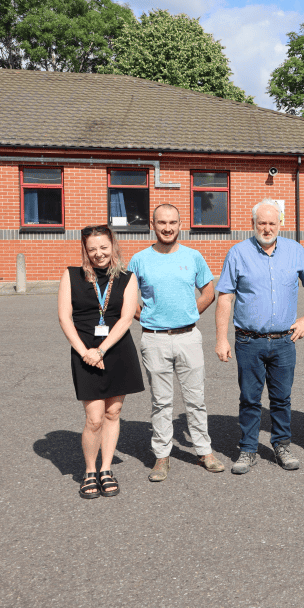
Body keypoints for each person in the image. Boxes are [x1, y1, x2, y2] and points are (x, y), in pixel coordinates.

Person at [215, 200, 304, 475]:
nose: (267, 228)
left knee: (282, 398)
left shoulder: (296, 251)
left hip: (285, 341)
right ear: (253, 224)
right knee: (249, 398)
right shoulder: (238, 253)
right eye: (262, 223)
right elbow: (225, 296)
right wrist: (221, 339)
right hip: (249, 341)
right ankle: (248, 449)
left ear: (280, 224)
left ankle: (282, 445)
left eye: (272, 223)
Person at [129, 204, 224, 482]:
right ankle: (161, 456)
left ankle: (204, 451)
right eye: (161, 222)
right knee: (161, 402)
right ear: (153, 224)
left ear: (180, 224)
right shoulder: (140, 260)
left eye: (172, 222)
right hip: (154, 339)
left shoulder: (193, 257)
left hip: (188, 337)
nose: (167, 228)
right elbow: (128, 298)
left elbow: (209, 291)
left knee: (196, 399)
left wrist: (191, 313)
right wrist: (145, 316)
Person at [58, 225, 145, 498]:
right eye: (92, 249)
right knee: (94, 418)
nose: (99, 254)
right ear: (85, 249)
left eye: (104, 247)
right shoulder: (71, 275)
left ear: (113, 245)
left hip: (116, 351)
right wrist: (85, 351)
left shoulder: (127, 278)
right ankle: (89, 471)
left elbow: (126, 318)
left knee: (113, 413)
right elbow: (64, 318)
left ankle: (106, 469)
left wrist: (101, 350)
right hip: (84, 351)